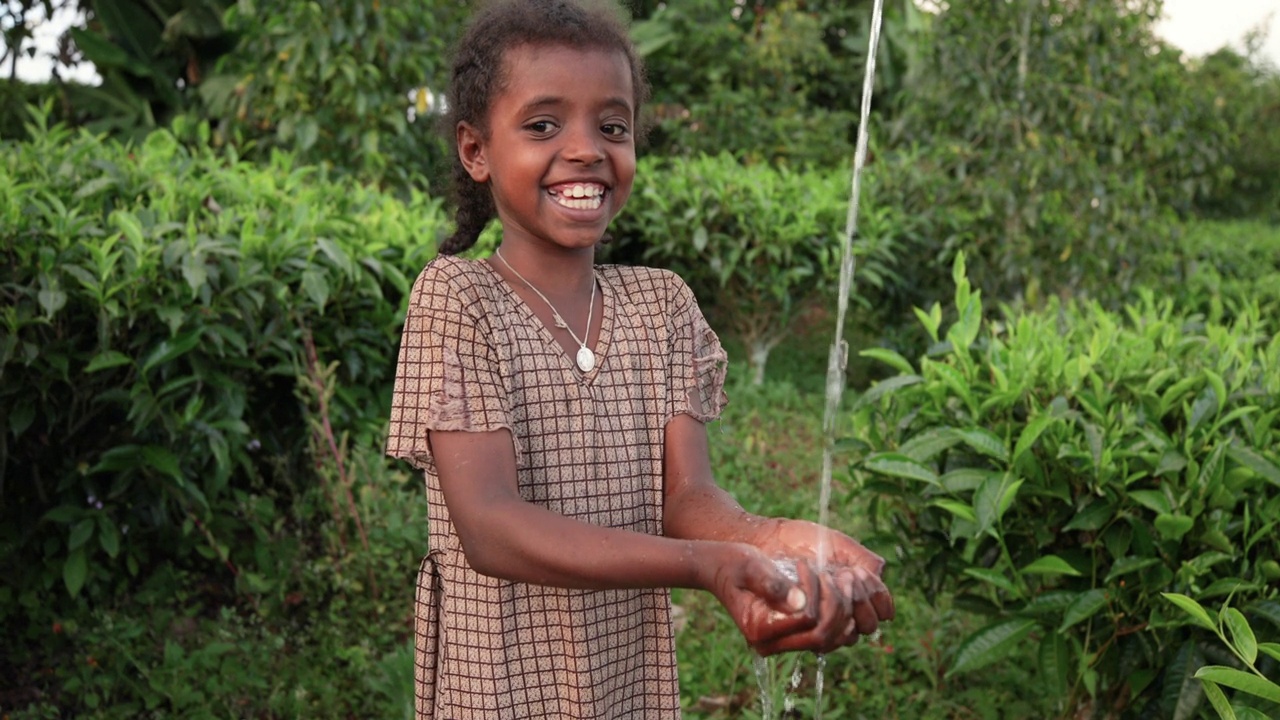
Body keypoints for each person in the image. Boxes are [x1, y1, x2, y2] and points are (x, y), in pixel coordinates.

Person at [385, 1, 894, 717]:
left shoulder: (661, 305)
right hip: (501, 686)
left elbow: (686, 497)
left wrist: (766, 540)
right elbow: (491, 526)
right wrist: (707, 567)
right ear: (476, 151)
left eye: (613, 126)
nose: (588, 148)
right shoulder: (460, 299)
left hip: (626, 679)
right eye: (542, 125)